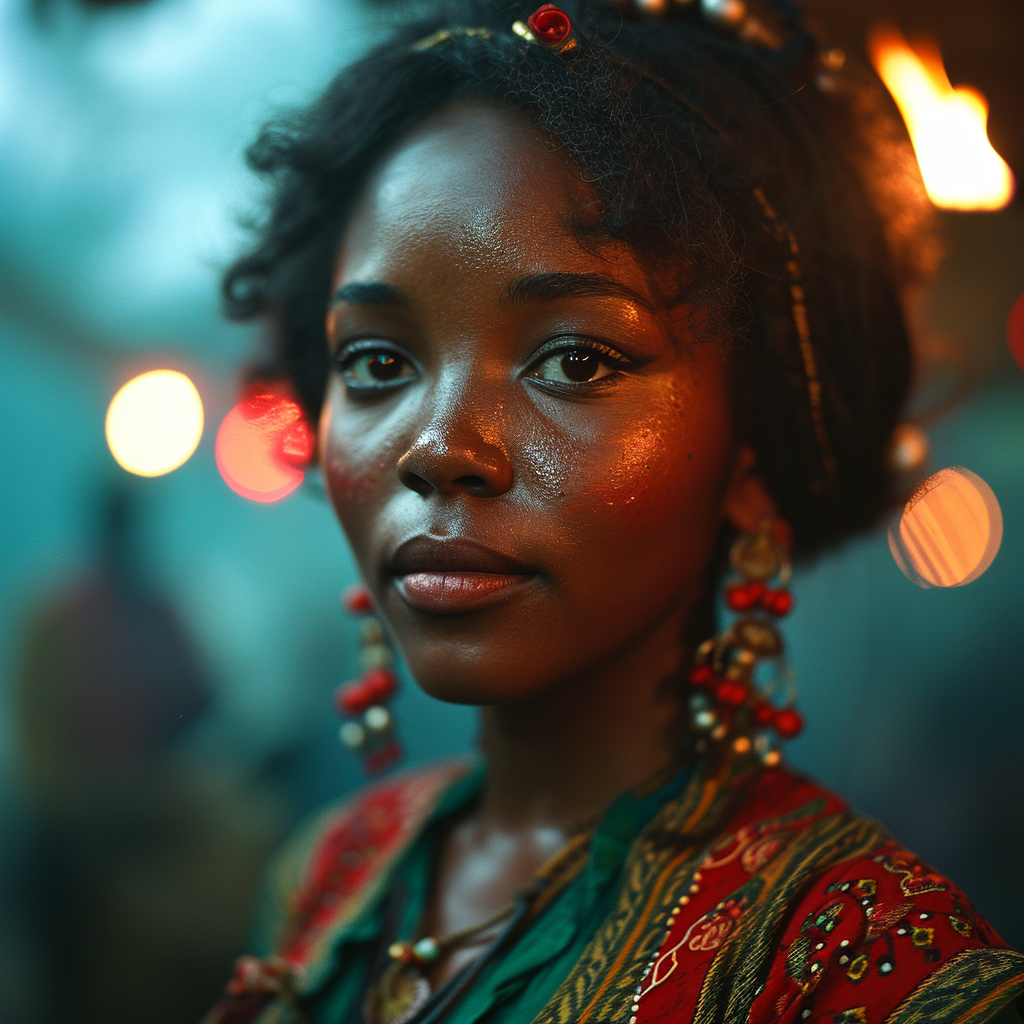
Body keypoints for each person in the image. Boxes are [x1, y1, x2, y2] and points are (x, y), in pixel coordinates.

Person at [203, 1, 1024, 1021]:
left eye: (576, 360)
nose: (437, 447)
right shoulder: (325, 877)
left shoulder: (861, 964)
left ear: (754, 449)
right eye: (376, 362)